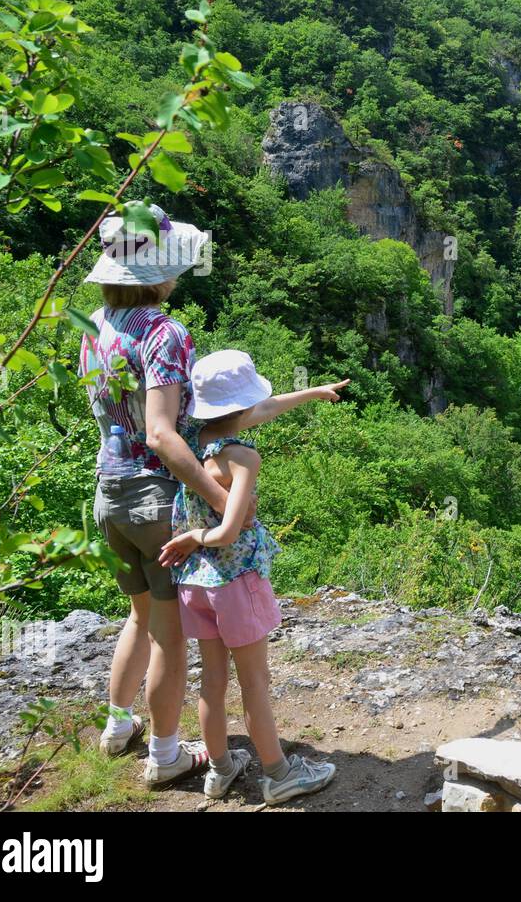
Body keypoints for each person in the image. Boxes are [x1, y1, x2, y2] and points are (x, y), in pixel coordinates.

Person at [79, 203, 245, 788]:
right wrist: (222, 502)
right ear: (158, 273)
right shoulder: (166, 333)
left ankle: (117, 724)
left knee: (139, 614)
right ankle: (167, 755)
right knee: (168, 637)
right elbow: (160, 431)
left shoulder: (95, 325)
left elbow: (112, 417)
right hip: (153, 498)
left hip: (107, 492)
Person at [158, 350, 348, 803]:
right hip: (236, 580)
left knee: (212, 681)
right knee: (255, 683)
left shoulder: (195, 436)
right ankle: (278, 772)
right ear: (241, 408)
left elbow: (259, 409)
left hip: (196, 584)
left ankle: (219, 770)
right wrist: (197, 536)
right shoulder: (243, 457)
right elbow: (227, 531)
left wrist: (312, 393)